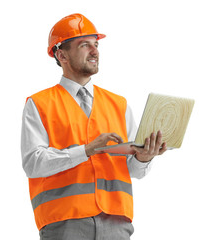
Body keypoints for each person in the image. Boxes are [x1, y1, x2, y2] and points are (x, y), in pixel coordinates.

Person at [21, 13, 167, 240]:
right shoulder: (39, 104)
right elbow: (33, 164)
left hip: (117, 222)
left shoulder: (119, 104)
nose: (95, 51)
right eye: (84, 45)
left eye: (96, 45)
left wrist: (144, 158)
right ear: (61, 55)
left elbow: (134, 171)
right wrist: (86, 150)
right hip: (64, 223)